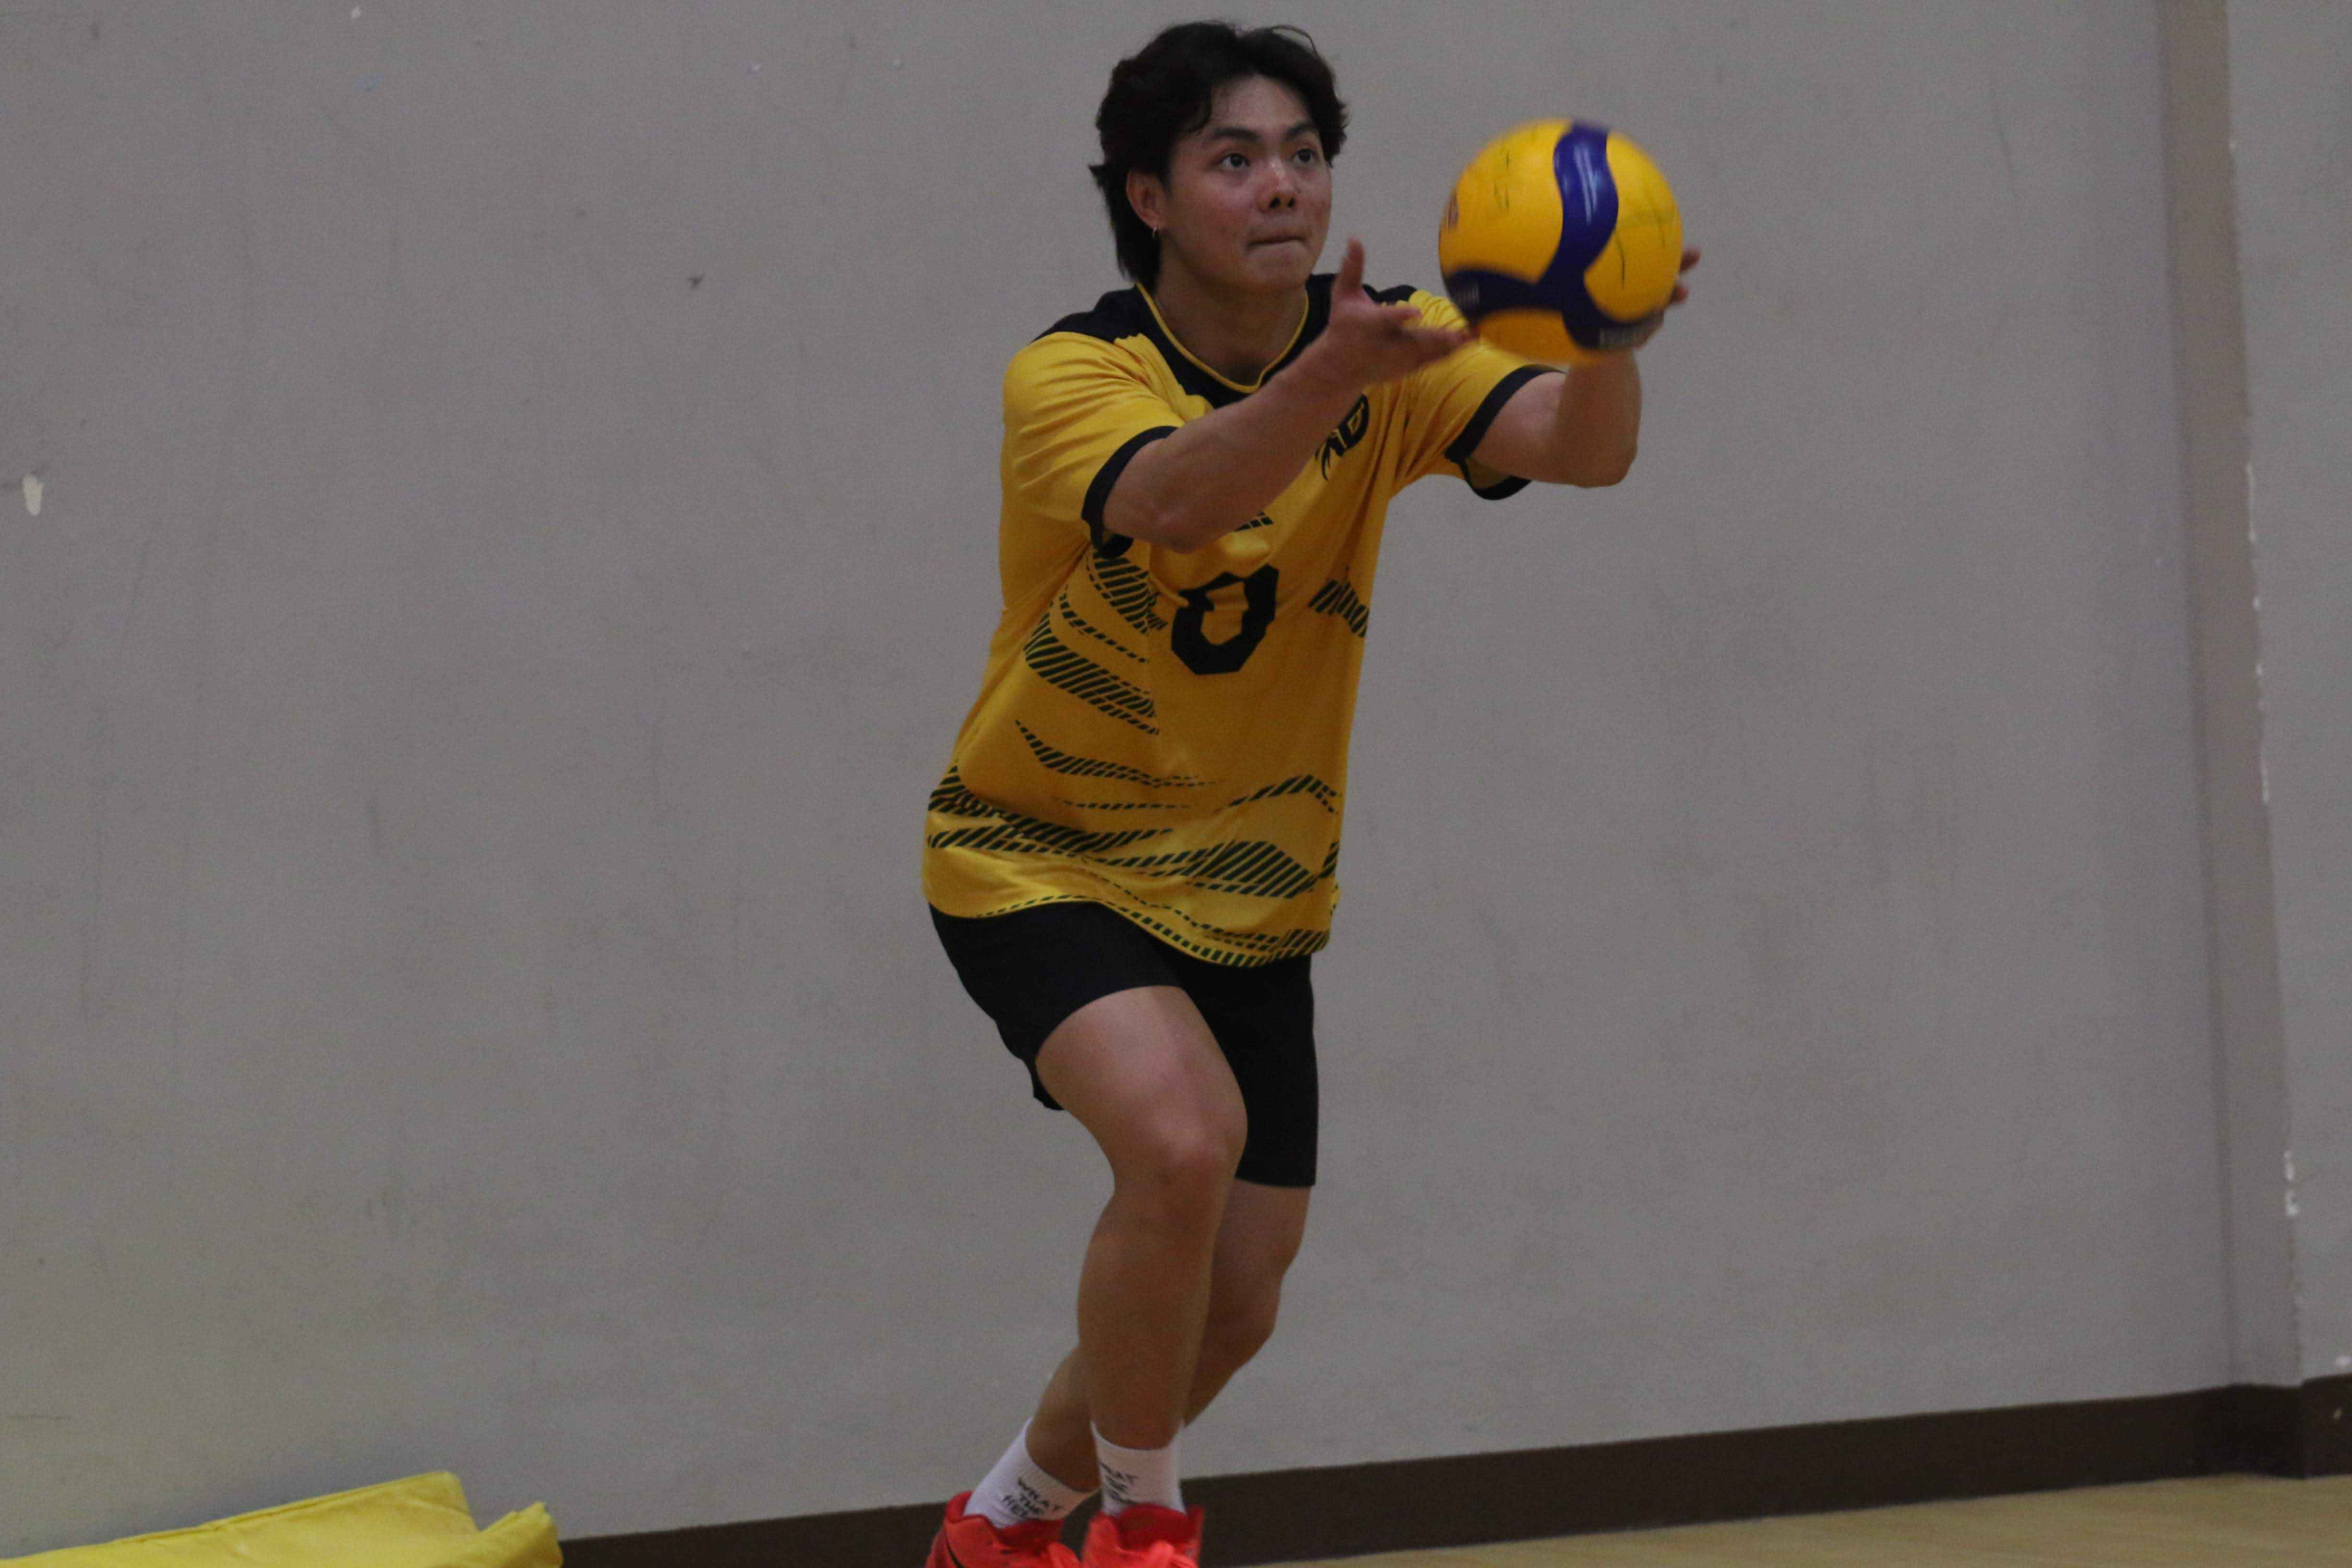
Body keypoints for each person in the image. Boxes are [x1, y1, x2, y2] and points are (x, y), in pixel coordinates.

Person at [921, 22, 1695, 1568]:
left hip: (1254, 886)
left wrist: (1605, 334)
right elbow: (1181, 497)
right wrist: (1335, 370)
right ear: (1148, 197)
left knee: (1236, 1297)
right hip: (1038, 851)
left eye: (1302, 154)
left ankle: (1000, 1527)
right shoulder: (1073, 372)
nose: (1279, 185)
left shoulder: (1393, 352)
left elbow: (1577, 448)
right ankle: (1145, 1531)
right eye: (1233, 159)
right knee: (1180, 1144)